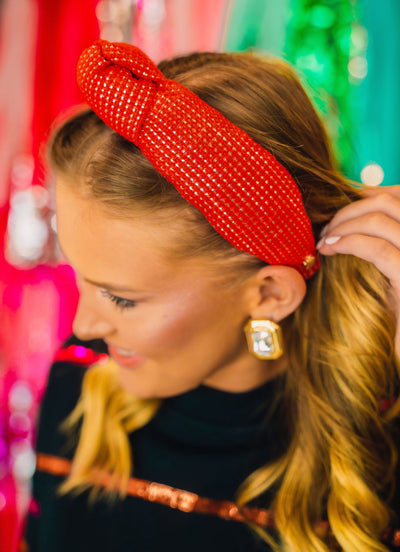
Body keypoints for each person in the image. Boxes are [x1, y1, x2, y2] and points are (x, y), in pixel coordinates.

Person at [23, 40, 400, 552]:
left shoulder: (379, 454)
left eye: (122, 299)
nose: (84, 327)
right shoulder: (79, 384)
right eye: (79, 276)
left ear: (269, 294)